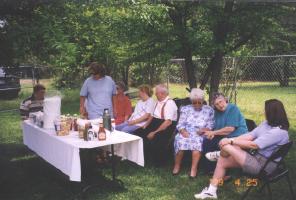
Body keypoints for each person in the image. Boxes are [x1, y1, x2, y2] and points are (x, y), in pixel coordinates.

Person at [194, 99, 290, 199]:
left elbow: (254, 145)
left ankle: (218, 154)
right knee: (223, 160)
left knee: (227, 146)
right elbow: (251, 135)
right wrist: (230, 139)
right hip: (256, 157)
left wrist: (230, 141)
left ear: (272, 113)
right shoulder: (267, 123)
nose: (264, 112)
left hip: (264, 167)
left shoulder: (279, 132)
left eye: (265, 110)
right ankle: (211, 191)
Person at [202, 92, 248, 174]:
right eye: (216, 104)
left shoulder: (233, 108)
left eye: (221, 101)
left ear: (225, 100)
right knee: (207, 142)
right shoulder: (216, 112)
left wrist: (213, 133)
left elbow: (230, 129)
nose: (220, 105)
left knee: (222, 144)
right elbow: (218, 127)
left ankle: (224, 171)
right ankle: (210, 170)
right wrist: (212, 135)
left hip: (238, 136)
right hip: (224, 136)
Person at [173, 88, 214, 178]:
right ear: (191, 101)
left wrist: (204, 130)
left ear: (203, 101)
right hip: (186, 131)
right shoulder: (186, 109)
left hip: (200, 133)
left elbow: (211, 125)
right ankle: (177, 165)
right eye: (194, 102)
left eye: (199, 102)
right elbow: (180, 124)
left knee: (197, 142)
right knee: (179, 140)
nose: (197, 105)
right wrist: (183, 131)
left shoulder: (209, 110)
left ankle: (193, 168)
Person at [134, 84, 178, 165]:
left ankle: (157, 162)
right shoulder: (158, 102)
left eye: (156, 93)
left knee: (155, 138)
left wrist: (154, 132)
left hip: (165, 127)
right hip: (155, 123)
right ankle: (141, 158)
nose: (155, 94)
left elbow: (168, 122)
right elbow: (152, 115)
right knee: (138, 132)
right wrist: (146, 125)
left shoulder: (170, 103)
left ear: (163, 94)